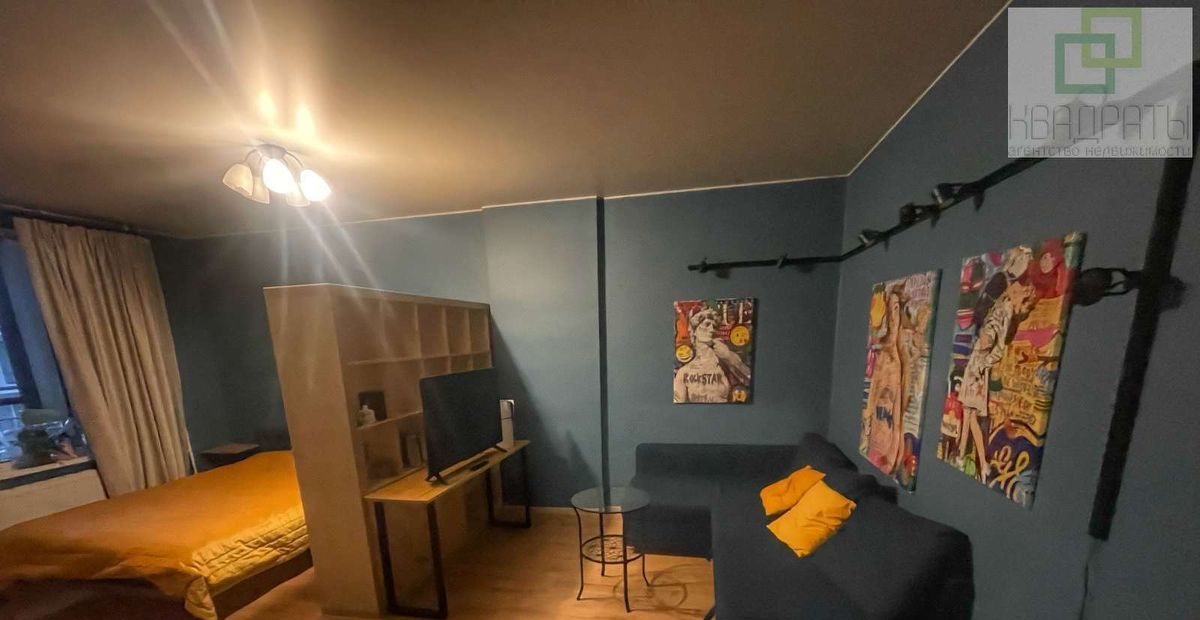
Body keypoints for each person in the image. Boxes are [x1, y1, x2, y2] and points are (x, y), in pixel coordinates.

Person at [956, 279, 1037, 481]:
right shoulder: (1003, 305)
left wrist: (981, 364)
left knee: (970, 415)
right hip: (976, 362)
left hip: (978, 366)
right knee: (968, 413)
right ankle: (962, 456)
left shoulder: (1006, 311)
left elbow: (997, 347)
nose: (1016, 289)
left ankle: (978, 462)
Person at [673, 307, 751, 403]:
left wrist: (728, 356)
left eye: (714, 326)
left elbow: (749, 380)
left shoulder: (726, 361)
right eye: (707, 325)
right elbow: (678, 404)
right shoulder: (684, 372)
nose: (711, 330)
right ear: (695, 330)